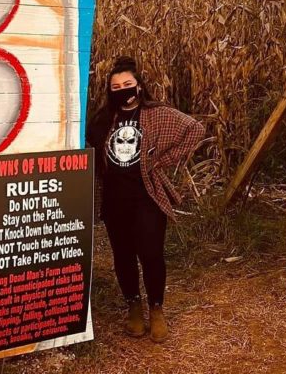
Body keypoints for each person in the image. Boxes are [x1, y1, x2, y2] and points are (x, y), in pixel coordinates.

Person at [85, 56, 206, 342]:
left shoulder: (156, 113)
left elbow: (195, 130)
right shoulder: (104, 119)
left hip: (146, 197)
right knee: (123, 257)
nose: (122, 90)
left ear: (139, 86)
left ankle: (157, 309)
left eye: (128, 84)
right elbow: (88, 142)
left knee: (151, 254)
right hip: (114, 200)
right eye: (116, 86)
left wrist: (164, 159)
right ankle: (133, 307)